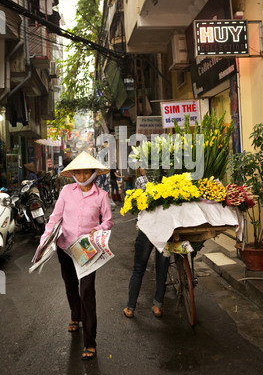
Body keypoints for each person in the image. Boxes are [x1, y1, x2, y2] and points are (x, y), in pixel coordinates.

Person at [40, 151, 113, 360]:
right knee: (70, 284)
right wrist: (44, 240)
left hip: (87, 249)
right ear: (73, 174)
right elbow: (55, 218)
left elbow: (108, 220)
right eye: (78, 172)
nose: (81, 177)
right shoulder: (65, 191)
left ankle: (90, 341)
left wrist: (99, 228)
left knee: (87, 291)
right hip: (65, 246)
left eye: (85, 172)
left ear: (93, 173)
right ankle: (75, 316)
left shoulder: (102, 195)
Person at [123, 170, 170, 319]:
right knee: (162, 269)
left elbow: (136, 205)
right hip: (165, 229)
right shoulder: (170, 180)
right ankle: (157, 306)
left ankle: (130, 307)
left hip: (147, 229)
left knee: (138, 268)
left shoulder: (141, 181)